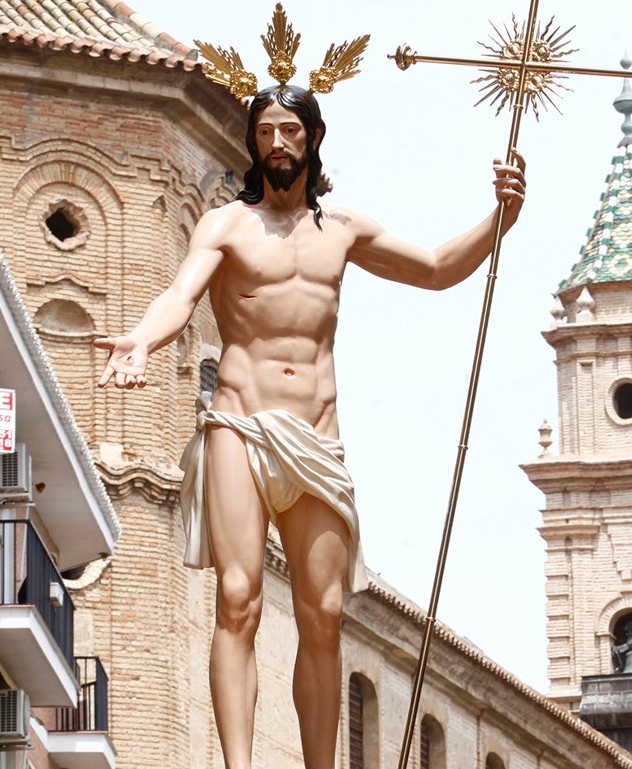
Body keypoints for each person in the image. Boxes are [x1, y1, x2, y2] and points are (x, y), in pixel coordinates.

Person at [95, 81, 527, 769]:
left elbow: (441, 270)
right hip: (240, 424)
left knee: (324, 614)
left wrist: (499, 218)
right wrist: (142, 340)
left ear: (313, 140)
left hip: (317, 441)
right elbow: (179, 294)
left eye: (290, 132)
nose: (277, 144)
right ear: (253, 144)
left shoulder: (343, 232)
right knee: (237, 596)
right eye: (265, 132)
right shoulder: (226, 227)